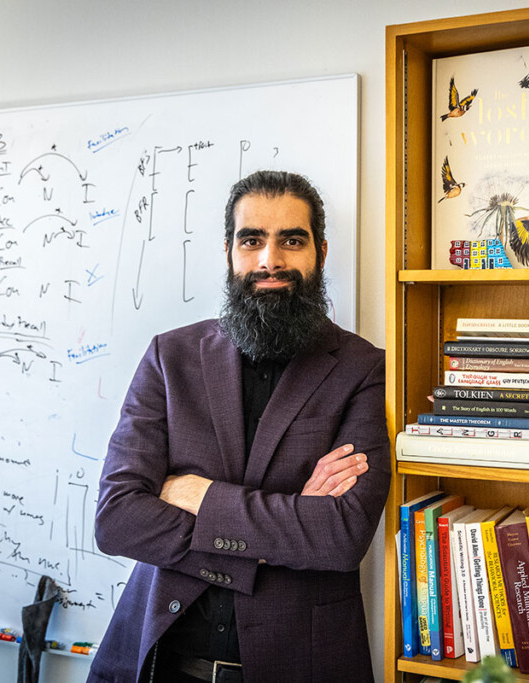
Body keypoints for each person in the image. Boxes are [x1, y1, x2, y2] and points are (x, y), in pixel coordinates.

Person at [87, 170, 389, 683]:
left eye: (292, 240)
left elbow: (341, 535)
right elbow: (117, 519)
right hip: (162, 661)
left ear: (320, 251)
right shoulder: (170, 357)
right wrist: (284, 533)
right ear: (229, 251)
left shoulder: (363, 368)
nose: (270, 260)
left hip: (299, 665)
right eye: (252, 240)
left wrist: (199, 495)